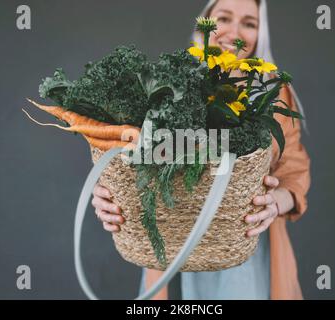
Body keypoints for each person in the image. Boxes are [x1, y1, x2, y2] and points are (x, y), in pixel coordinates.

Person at [91, 0, 310, 300]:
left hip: (246, 244)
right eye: (224, 18)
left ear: (261, 33)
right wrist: (110, 193)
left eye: (249, 23)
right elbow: (134, 153)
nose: (235, 32)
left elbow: (294, 169)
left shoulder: (274, 92)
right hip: (173, 242)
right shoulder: (168, 85)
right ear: (204, 22)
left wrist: (276, 201)